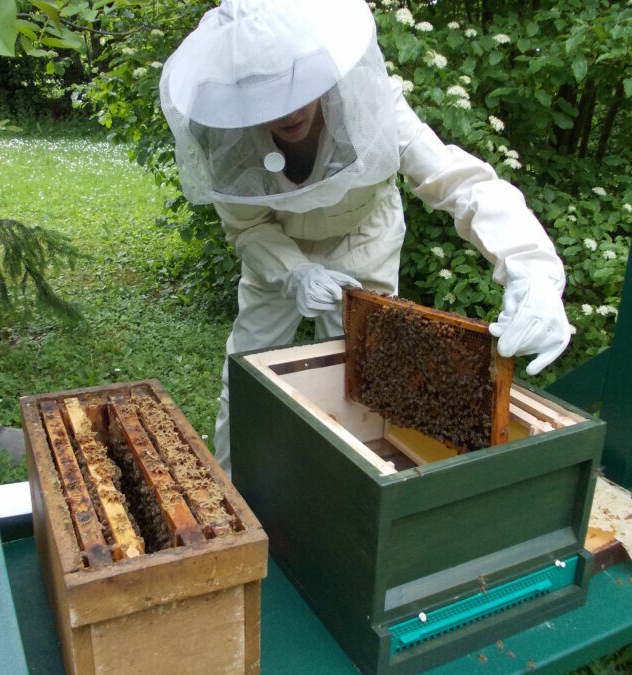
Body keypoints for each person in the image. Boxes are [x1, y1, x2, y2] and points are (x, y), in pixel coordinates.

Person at [160, 0, 571, 477]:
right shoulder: (227, 138)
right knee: (244, 375)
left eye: (293, 82)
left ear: (316, 63)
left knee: (361, 381)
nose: (287, 108)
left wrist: (533, 269)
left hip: (364, 239)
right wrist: (294, 272)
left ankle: (341, 505)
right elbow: (247, 227)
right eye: (263, 92)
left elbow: (460, 182)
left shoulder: (371, 103)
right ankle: (230, 502)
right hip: (276, 255)